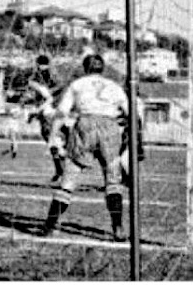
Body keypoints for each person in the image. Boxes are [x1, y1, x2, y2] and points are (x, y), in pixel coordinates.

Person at [40, 54, 128, 241]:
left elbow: (62, 112)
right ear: (102, 68)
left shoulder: (77, 85)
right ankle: (117, 227)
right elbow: (131, 114)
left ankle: (50, 225)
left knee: (69, 178)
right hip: (110, 127)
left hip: (85, 126)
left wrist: (52, 136)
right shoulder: (114, 86)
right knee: (113, 181)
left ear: (85, 68)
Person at [25, 55, 65, 182]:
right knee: (51, 140)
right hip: (50, 111)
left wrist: (38, 108)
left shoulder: (44, 77)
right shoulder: (44, 76)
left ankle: (63, 167)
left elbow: (52, 94)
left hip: (50, 111)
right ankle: (59, 169)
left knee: (53, 140)